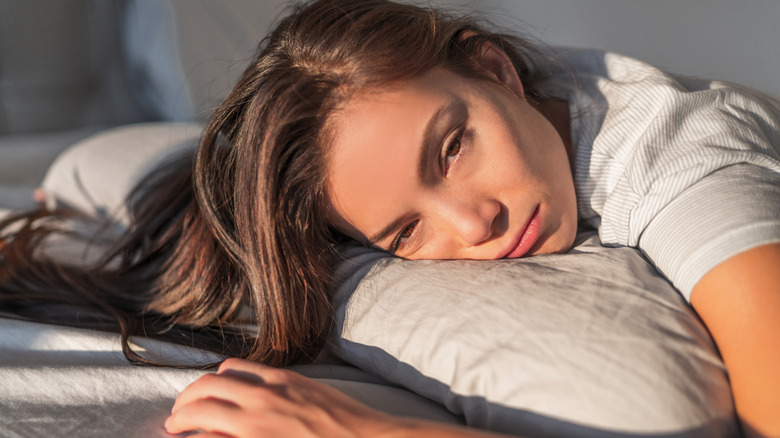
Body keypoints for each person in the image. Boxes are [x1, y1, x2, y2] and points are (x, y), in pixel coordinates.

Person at [1, 0, 778, 436]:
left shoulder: (691, 160)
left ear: (496, 68)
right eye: (406, 233)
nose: (475, 224)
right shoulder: (492, 110)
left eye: (451, 149)